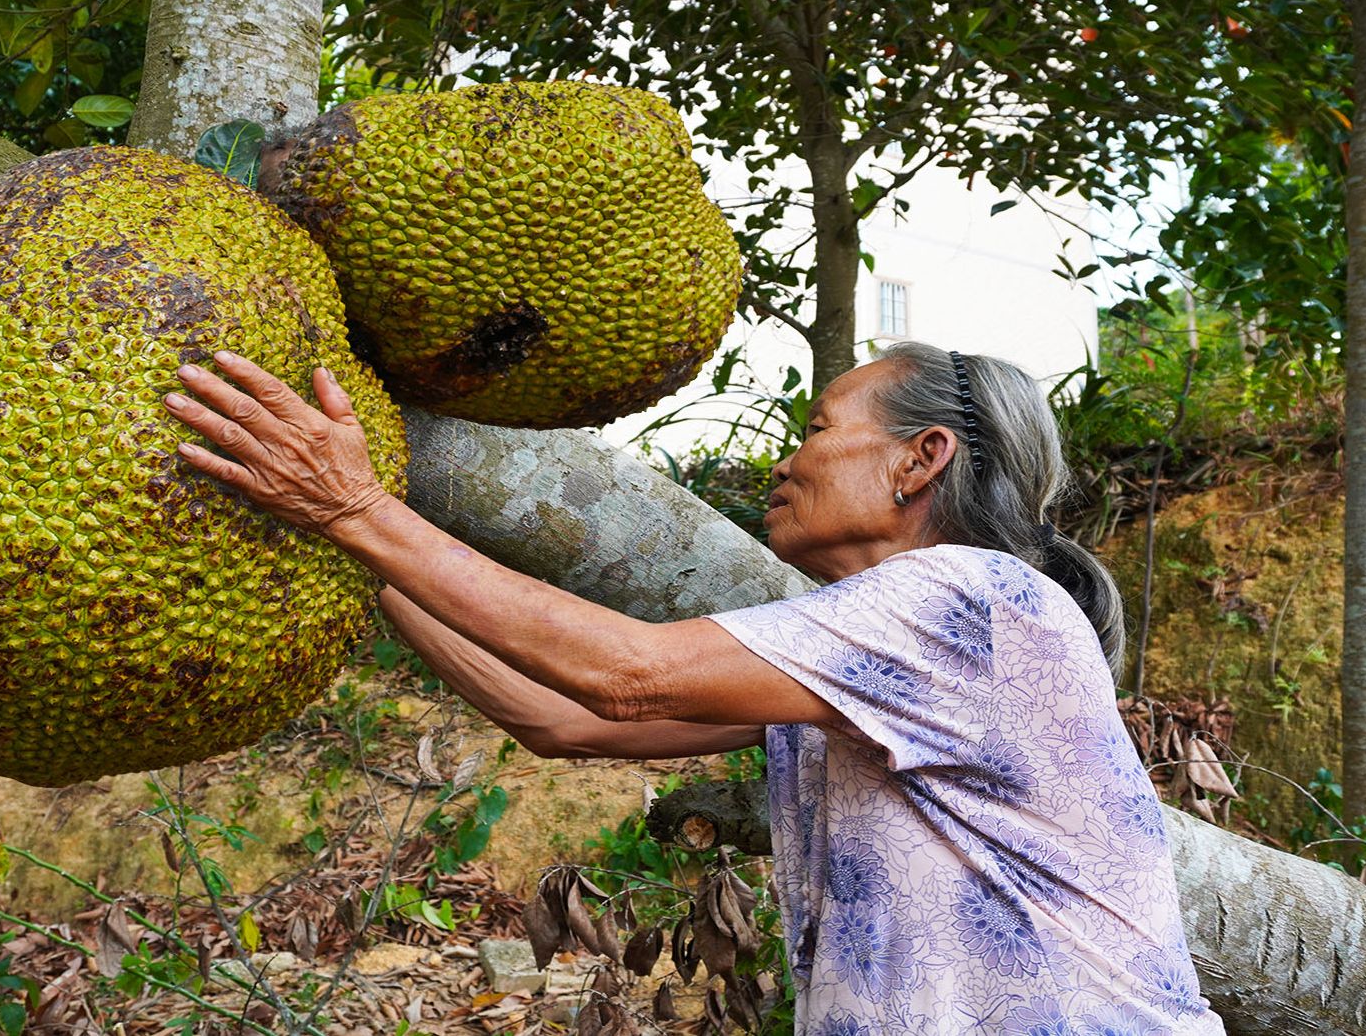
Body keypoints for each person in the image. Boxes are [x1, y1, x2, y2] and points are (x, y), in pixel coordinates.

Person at [164, 341, 1226, 1035]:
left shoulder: (969, 599)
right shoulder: (863, 661)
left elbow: (624, 674)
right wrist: (363, 548)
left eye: (816, 427)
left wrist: (355, 508)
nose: (785, 454)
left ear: (919, 461)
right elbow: (561, 720)